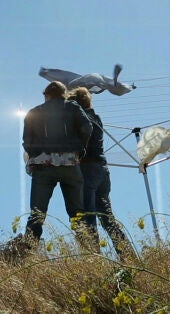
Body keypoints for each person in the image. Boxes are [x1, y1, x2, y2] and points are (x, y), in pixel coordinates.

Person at [17, 81, 93, 249]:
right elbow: (87, 128)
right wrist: (79, 150)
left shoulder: (33, 112)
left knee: (37, 214)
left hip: (43, 166)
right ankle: (90, 254)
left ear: (46, 95)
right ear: (63, 94)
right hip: (70, 163)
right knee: (77, 214)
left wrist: (37, 154)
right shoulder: (73, 107)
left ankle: (28, 252)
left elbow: (26, 141)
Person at [68, 87, 136, 260]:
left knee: (87, 217)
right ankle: (128, 257)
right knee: (107, 218)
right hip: (102, 171)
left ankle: (93, 261)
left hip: (86, 169)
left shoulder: (82, 120)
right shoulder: (96, 118)